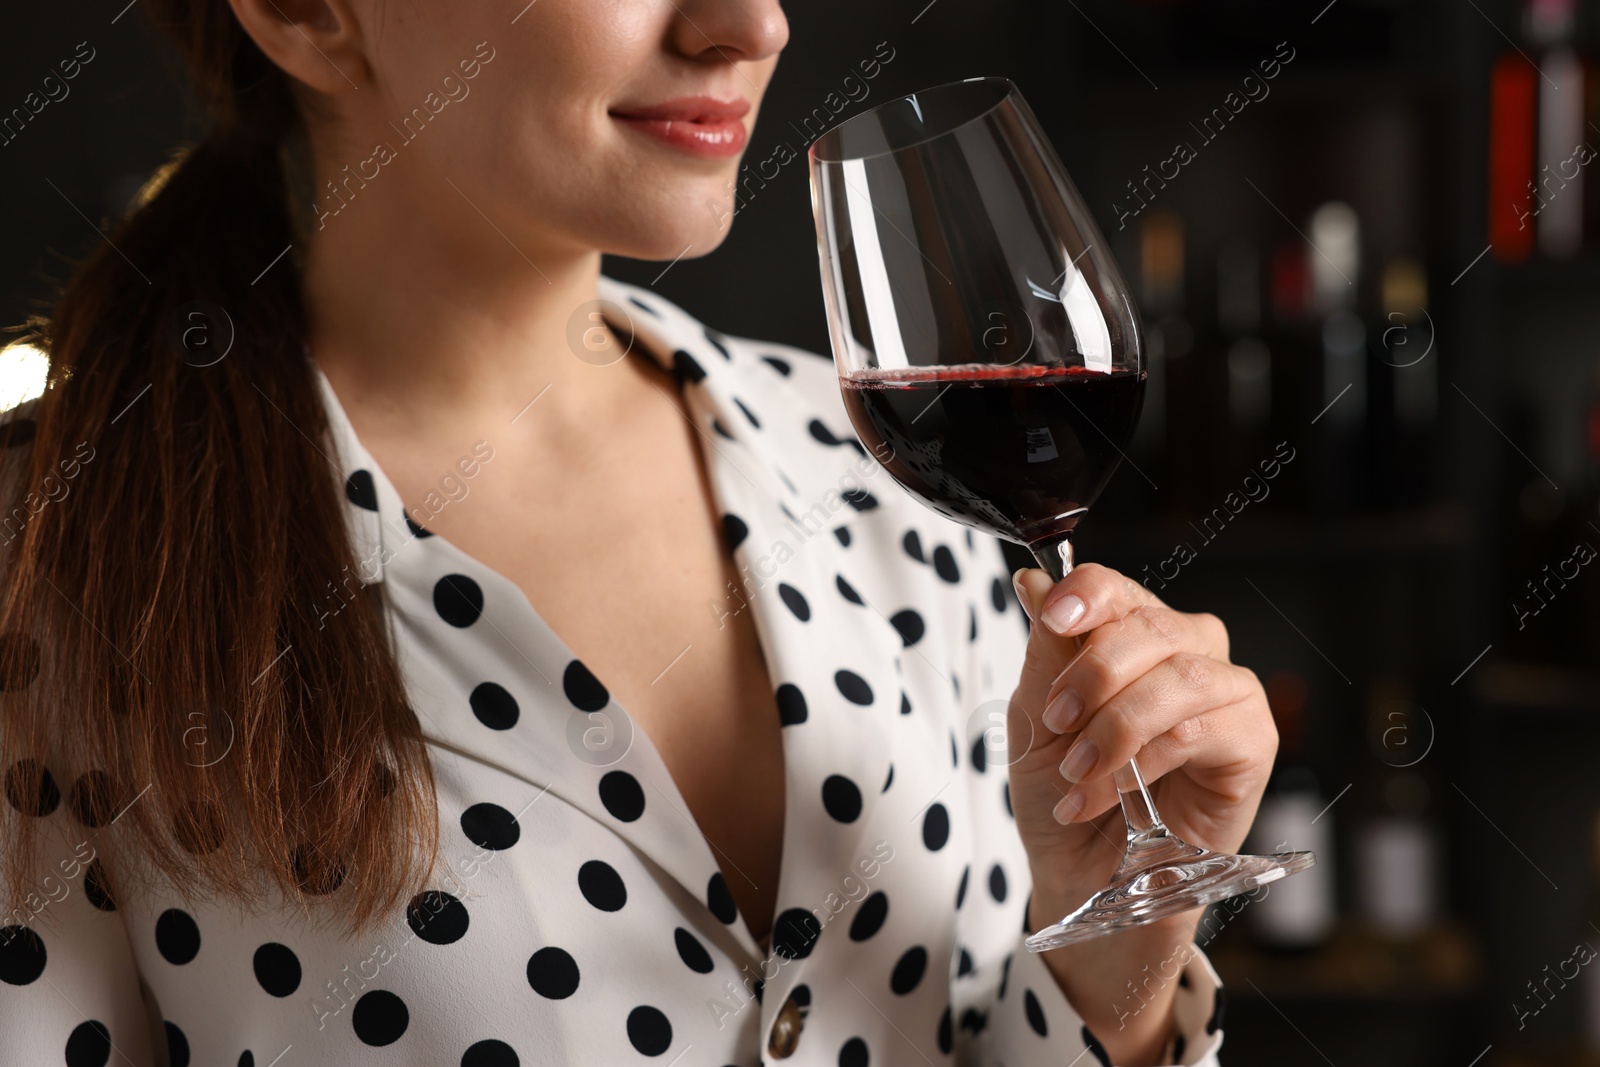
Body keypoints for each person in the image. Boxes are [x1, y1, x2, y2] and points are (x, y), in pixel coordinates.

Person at [0, 1, 1279, 1064]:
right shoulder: (53, 552)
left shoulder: (880, 471)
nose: (750, 24)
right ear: (306, 14)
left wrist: (1119, 958)